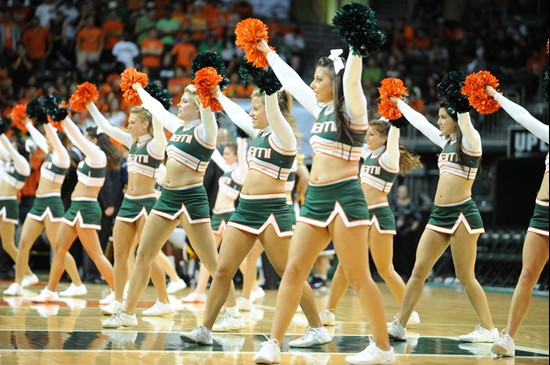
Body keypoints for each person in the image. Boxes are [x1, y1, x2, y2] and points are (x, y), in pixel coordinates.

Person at [253, 41, 395, 364]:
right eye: (314, 79)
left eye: (319, 79)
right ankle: (273, 344)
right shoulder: (320, 111)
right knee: (293, 271)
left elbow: (353, 79)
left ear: (336, 82)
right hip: (315, 201)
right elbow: (289, 81)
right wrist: (266, 50)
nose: (313, 85)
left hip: (345, 198)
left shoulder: (354, 111)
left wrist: (354, 46)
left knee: (359, 278)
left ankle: (384, 349)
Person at [181, 87, 330, 347]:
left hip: (272, 211)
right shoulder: (259, 133)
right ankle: (205, 328)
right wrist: (217, 95)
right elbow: (238, 114)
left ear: (274, 109)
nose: (252, 113)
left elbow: (272, 108)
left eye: (256, 108)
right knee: (223, 269)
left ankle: (317, 328)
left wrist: (269, 86)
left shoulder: (285, 136)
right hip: (245, 210)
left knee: (289, 273)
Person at [102, 84, 239, 328]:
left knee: (211, 261)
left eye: (185, 101)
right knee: (144, 253)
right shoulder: (178, 128)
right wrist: (136, 86)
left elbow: (207, 109)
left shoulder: (207, 130)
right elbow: (156, 109)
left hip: (191, 198)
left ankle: (233, 312)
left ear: (197, 107)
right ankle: (127, 312)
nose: (179, 104)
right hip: (167, 197)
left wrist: (205, 88)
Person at [387, 95, 499, 343]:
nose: (438, 122)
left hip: (462, 214)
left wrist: (461, 106)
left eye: (443, 117)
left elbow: (466, 122)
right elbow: (419, 122)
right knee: (418, 271)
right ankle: (400, 324)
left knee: (465, 276)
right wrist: (398, 103)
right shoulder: (445, 141)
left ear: (456, 119)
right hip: (439, 215)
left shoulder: (471, 141)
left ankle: (489, 328)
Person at [320, 118, 423, 327]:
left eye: (372, 135)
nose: (367, 138)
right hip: (359, 216)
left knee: (385, 269)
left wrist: (394, 117)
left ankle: (409, 312)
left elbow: (394, 136)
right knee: (343, 266)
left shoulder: (389, 159)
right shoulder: (368, 156)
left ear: (384, 138)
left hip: (379, 216)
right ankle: (329, 312)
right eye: (367, 134)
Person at [87, 101, 182, 315]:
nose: (128, 126)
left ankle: (163, 300)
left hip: (147, 203)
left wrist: (155, 107)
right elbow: (107, 128)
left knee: (148, 255)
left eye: (132, 122)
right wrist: (91, 103)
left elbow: (158, 129)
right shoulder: (132, 142)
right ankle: (118, 301)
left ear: (145, 123)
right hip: (128, 203)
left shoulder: (156, 145)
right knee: (121, 255)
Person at [485, 86, 549, 357]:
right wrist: (496, 96)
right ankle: (509, 338)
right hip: (542, 213)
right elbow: (524, 118)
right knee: (527, 274)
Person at [31, 117, 118, 303]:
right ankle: (50, 291)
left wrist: (63, 118)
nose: (83, 141)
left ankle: (118, 293)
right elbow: (73, 137)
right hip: (75, 208)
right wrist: (55, 122)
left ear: (94, 141)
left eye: (87, 138)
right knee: (60, 248)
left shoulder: (98, 156)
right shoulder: (89, 157)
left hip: (87, 208)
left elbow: (76, 136)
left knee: (96, 254)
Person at [4, 117, 84, 296]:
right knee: (23, 243)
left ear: (57, 140)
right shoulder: (50, 155)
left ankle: (78, 283)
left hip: (52, 204)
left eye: (49, 138)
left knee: (58, 247)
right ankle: (18, 283)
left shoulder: (62, 157)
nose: (46, 140)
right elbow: (42, 139)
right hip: (38, 204)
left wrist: (47, 122)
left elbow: (51, 138)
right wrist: (28, 124)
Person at [182, 139, 247, 304]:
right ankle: (200, 292)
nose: (224, 156)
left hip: (228, 215)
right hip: (217, 215)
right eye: (224, 154)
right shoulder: (227, 169)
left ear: (235, 156)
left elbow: (241, 153)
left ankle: (252, 288)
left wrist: (240, 139)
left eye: (227, 154)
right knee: (208, 254)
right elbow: (216, 155)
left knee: (236, 257)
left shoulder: (240, 171)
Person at [0, 121, 34, 285]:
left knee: (9, 244)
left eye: (13, 145)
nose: (10, 147)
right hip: (2, 204)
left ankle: (28, 273)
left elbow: (11, 151)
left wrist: (2, 134)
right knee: (6, 244)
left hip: (8, 205)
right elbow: (5, 151)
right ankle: (27, 273)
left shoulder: (23, 166)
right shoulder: (11, 163)